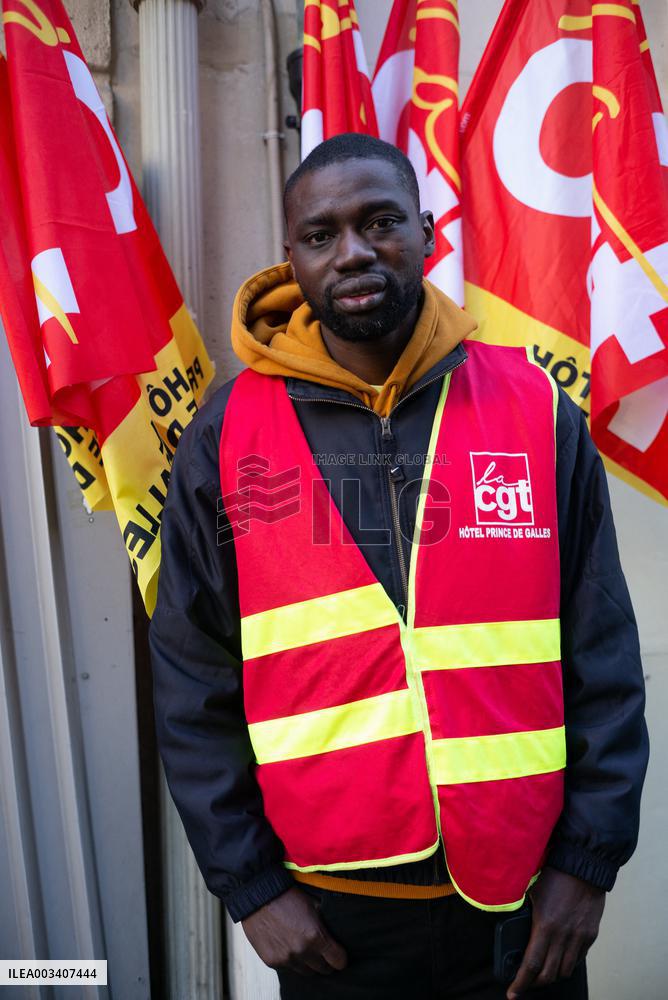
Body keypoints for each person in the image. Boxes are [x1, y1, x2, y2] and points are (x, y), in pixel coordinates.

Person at [149, 133, 649, 999]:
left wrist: (588, 864)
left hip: (525, 918)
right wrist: (253, 890)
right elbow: (192, 682)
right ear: (292, 260)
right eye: (321, 234)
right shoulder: (225, 438)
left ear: (425, 231)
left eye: (380, 222)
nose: (353, 252)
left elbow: (601, 651)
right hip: (335, 926)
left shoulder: (535, 408)